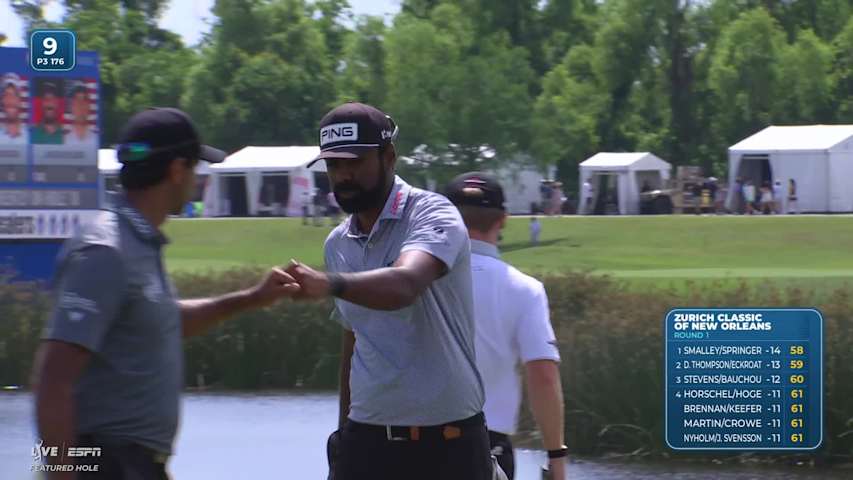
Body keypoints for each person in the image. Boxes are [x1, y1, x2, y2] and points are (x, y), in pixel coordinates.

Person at [31, 107, 301, 480]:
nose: (197, 179)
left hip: (137, 464)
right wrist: (60, 475)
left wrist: (252, 298)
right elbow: (52, 379)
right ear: (176, 170)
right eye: (194, 168)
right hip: (104, 462)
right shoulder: (106, 250)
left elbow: (161, 321)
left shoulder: (136, 242)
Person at [285, 102, 496, 480]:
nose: (343, 175)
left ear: (389, 156)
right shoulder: (338, 244)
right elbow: (355, 340)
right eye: (334, 166)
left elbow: (406, 284)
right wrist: (343, 434)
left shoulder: (434, 213)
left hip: (448, 444)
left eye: (355, 162)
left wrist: (329, 283)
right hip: (367, 443)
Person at [446, 172, 566, 480]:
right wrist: (556, 458)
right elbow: (543, 376)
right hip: (486, 446)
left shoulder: (414, 281)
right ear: (503, 219)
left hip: (411, 446)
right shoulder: (525, 289)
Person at [64, 81, 97, 145]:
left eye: (84, 100)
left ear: (89, 106)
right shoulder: (64, 140)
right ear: (71, 107)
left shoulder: (96, 139)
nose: (80, 105)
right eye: (77, 100)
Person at [0, 73, 28, 144]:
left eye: (14, 95)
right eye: (6, 95)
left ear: (20, 101)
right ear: (2, 101)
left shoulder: (29, 137)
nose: (10, 100)